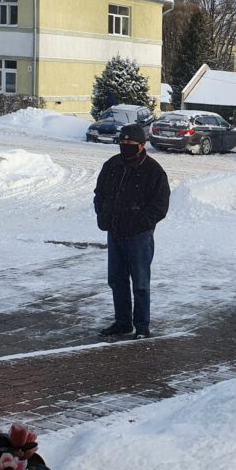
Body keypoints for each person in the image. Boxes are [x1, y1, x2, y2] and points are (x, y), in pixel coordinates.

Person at [93, 123, 171, 340]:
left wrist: (139, 222)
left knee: (140, 283)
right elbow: (99, 192)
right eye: (122, 143)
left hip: (139, 236)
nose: (125, 147)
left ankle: (142, 326)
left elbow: (159, 206)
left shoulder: (153, 171)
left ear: (142, 145)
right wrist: (103, 213)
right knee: (116, 280)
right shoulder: (112, 165)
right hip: (115, 231)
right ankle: (123, 322)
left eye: (130, 144)